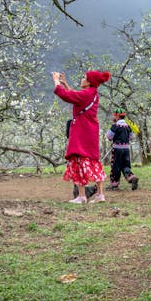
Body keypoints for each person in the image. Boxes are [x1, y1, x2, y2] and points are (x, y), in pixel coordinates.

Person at [53, 70, 110, 204]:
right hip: (91, 131)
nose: (82, 79)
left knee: (79, 161)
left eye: (84, 77)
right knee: (93, 161)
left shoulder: (86, 94)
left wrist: (56, 82)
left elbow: (66, 96)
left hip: (82, 132)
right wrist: (66, 84)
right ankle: (100, 194)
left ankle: (82, 196)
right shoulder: (93, 93)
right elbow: (76, 96)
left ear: (89, 82)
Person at [106, 108, 139, 190]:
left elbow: (109, 136)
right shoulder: (128, 127)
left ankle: (114, 184)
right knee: (125, 165)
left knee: (116, 166)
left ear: (116, 116)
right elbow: (131, 137)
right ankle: (131, 177)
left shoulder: (115, 126)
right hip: (126, 149)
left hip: (117, 149)